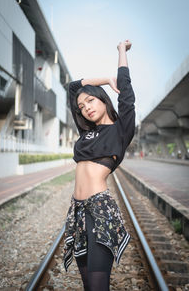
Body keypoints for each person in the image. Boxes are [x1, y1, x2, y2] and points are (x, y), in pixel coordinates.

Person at [63, 40, 135, 291]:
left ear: (103, 100)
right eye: (81, 107)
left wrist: (121, 52)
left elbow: (126, 93)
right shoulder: (86, 133)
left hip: (100, 211)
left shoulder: (120, 130)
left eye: (90, 102)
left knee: (97, 285)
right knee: (88, 285)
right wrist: (102, 78)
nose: (85, 109)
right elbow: (72, 88)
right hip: (77, 212)